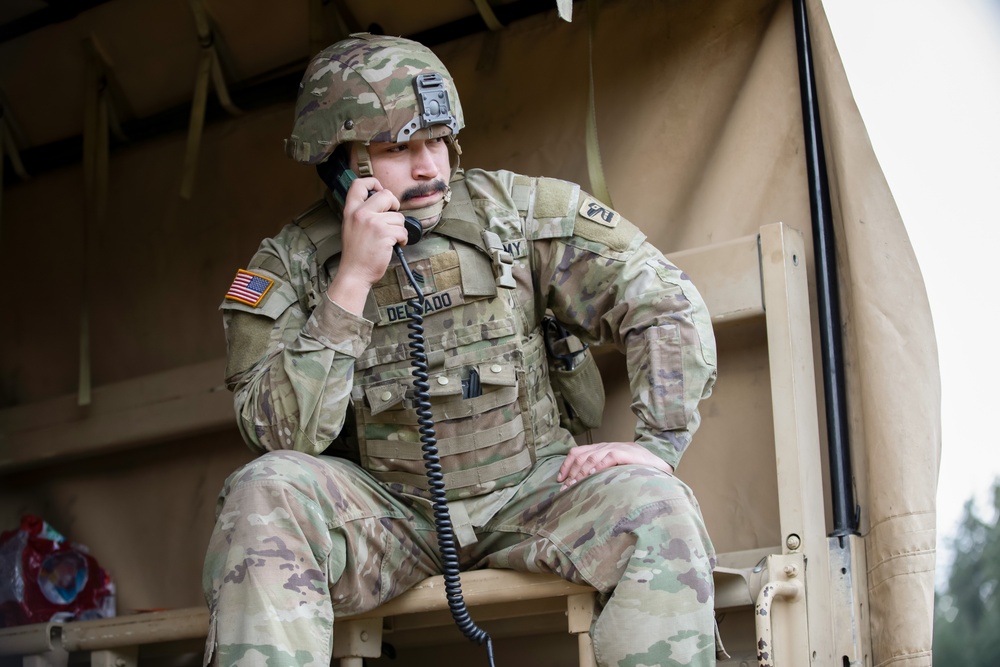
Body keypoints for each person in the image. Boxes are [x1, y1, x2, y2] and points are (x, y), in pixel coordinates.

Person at [204, 33, 720, 667]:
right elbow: (277, 434)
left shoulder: (519, 214)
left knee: (659, 505)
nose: (429, 168)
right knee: (263, 490)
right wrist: (351, 284)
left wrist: (657, 444)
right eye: (397, 149)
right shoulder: (290, 266)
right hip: (387, 517)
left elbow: (661, 299)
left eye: (438, 142)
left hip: (534, 492)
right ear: (339, 162)